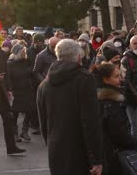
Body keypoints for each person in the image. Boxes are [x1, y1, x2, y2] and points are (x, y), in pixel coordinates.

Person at [37, 39, 103, 175]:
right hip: (80, 151)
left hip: (56, 148)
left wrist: (50, 143)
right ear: (78, 57)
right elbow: (90, 120)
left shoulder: (44, 84)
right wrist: (96, 158)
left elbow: (43, 121)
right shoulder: (85, 79)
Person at [97, 63, 137, 174]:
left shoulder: (110, 99)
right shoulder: (109, 102)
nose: (120, 80)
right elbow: (117, 131)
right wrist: (134, 142)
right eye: (116, 77)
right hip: (113, 154)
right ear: (106, 80)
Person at [7, 43, 35, 142]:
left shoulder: (26, 61)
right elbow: (8, 79)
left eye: (25, 51)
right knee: (14, 114)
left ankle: (24, 131)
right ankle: (14, 133)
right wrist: (10, 91)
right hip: (16, 91)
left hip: (27, 90)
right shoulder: (10, 63)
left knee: (30, 111)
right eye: (23, 51)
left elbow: (31, 73)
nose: (24, 53)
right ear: (17, 52)